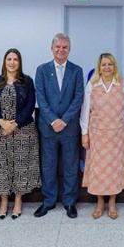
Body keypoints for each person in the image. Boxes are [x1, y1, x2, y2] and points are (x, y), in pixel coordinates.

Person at [0, 48, 41, 219]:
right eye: (9, 59)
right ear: (4, 61)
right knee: (1, 167)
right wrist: (2, 122)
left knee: (21, 168)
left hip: (22, 131)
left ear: (19, 62)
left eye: (15, 59)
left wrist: (14, 124)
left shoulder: (27, 81)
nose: (12, 62)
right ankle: (3, 202)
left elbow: (30, 105)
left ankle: (18, 201)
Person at [34, 34, 85, 219]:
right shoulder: (42, 70)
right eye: (58, 47)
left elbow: (78, 98)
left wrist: (64, 120)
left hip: (69, 128)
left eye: (64, 47)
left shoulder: (77, 71)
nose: (61, 50)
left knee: (71, 166)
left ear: (69, 49)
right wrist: (53, 120)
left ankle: (70, 202)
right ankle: (48, 201)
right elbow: (41, 98)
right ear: (52, 48)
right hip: (48, 128)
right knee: (48, 166)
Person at [81, 53, 124, 219]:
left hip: (117, 136)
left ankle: (112, 202)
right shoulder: (92, 85)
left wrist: (118, 125)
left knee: (114, 169)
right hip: (97, 134)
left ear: (114, 67)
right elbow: (85, 111)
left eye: (110, 64)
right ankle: (99, 202)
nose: (107, 67)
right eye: (103, 64)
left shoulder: (122, 84)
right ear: (99, 68)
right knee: (99, 170)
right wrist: (84, 133)